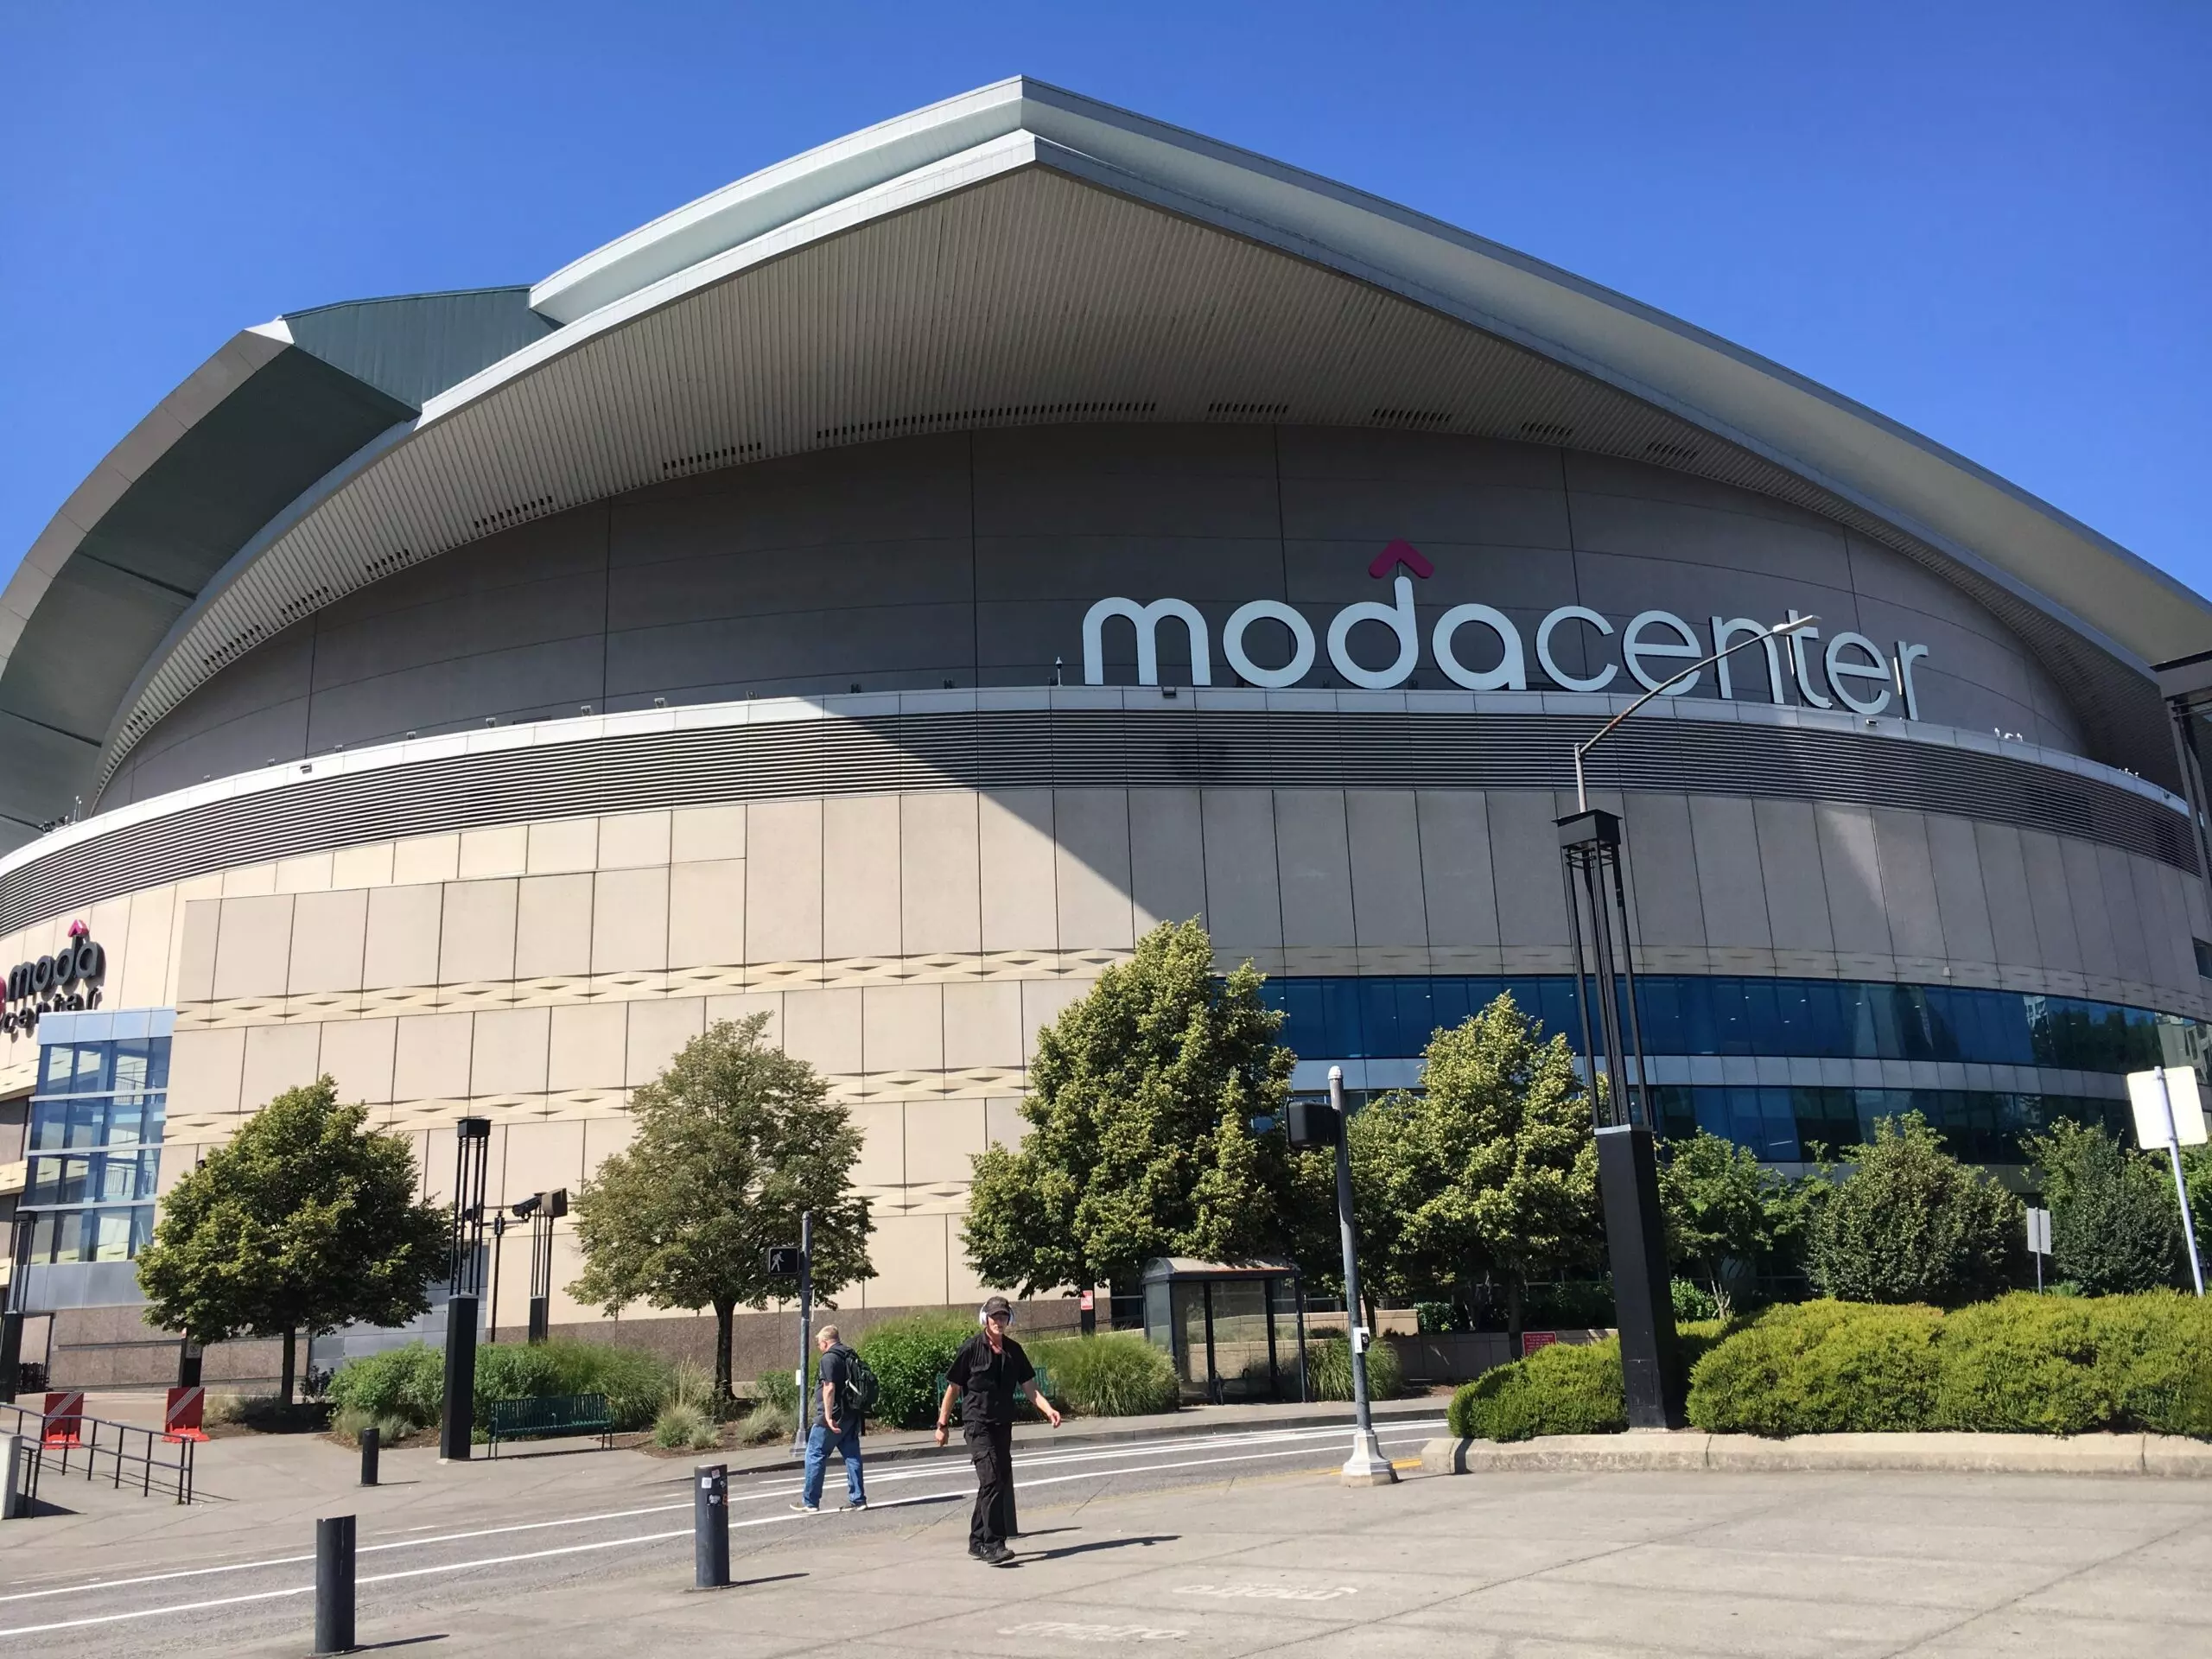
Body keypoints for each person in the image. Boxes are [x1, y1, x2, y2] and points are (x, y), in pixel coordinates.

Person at [934, 1294, 1059, 1564]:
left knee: (996, 1480)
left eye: (1003, 1316)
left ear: (1009, 1319)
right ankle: (994, 1544)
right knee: (991, 1479)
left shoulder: (1014, 1351)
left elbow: (1029, 1387)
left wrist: (1048, 1409)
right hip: (977, 1424)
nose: (999, 1321)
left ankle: (977, 1541)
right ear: (985, 1318)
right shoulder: (971, 1349)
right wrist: (942, 1425)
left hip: (1002, 1424)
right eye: (994, 1316)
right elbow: (953, 1388)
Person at [792, 1325, 866, 1514]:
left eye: (819, 1343)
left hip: (833, 1415)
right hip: (851, 1414)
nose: (819, 1346)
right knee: (852, 1456)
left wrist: (827, 1415)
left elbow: (829, 1387)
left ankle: (810, 1501)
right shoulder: (849, 1354)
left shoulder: (829, 1358)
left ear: (825, 1342)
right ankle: (858, 1499)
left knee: (815, 1453)